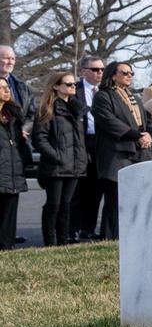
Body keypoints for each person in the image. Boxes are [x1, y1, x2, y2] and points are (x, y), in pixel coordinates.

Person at [91, 60, 152, 239]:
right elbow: (109, 121)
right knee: (115, 200)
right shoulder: (103, 96)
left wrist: (149, 133)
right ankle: (110, 237)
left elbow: (146, 120)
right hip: (117, 155)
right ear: (113, 75)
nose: (129, 76)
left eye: (131, 73)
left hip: (139, 154)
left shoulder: (135, 97)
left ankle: (132, 235)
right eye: (124, 72)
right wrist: (137, 135)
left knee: (136, 199)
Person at [31, 72, 87, 246]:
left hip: (75, 165)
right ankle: (49, 242)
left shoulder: (76, 109)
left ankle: (63, 242)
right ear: (56, 86)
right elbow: (40, 138)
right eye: (68, 84)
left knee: (66, 204)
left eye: (74, 84)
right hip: (55, 166)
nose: (73, 87)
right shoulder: (47, 108)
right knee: (53, 205)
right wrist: (57, 157)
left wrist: (83, 158)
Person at [68, 56, 107, 241]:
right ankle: (73, 229)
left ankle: (88, 228)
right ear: (84, 71)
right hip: (81, 141)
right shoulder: (73, 89)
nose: (99, 73)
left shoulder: (106, 91)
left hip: (100, 143)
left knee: (95, 189)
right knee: (78, 189)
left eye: (101, 69)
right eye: (95, 69)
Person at [0, 79, 26, 247]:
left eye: (7, 87)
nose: (6, 90)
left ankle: (7, 247)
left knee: (9, 215)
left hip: (12, 171)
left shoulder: (13, 115)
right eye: (1, 88)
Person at [0, 45, 33, 119]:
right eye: (7, 58)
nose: (11, 62)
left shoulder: (23, 87)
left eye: (13, 59)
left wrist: (24, 128)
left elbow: (32, 115)